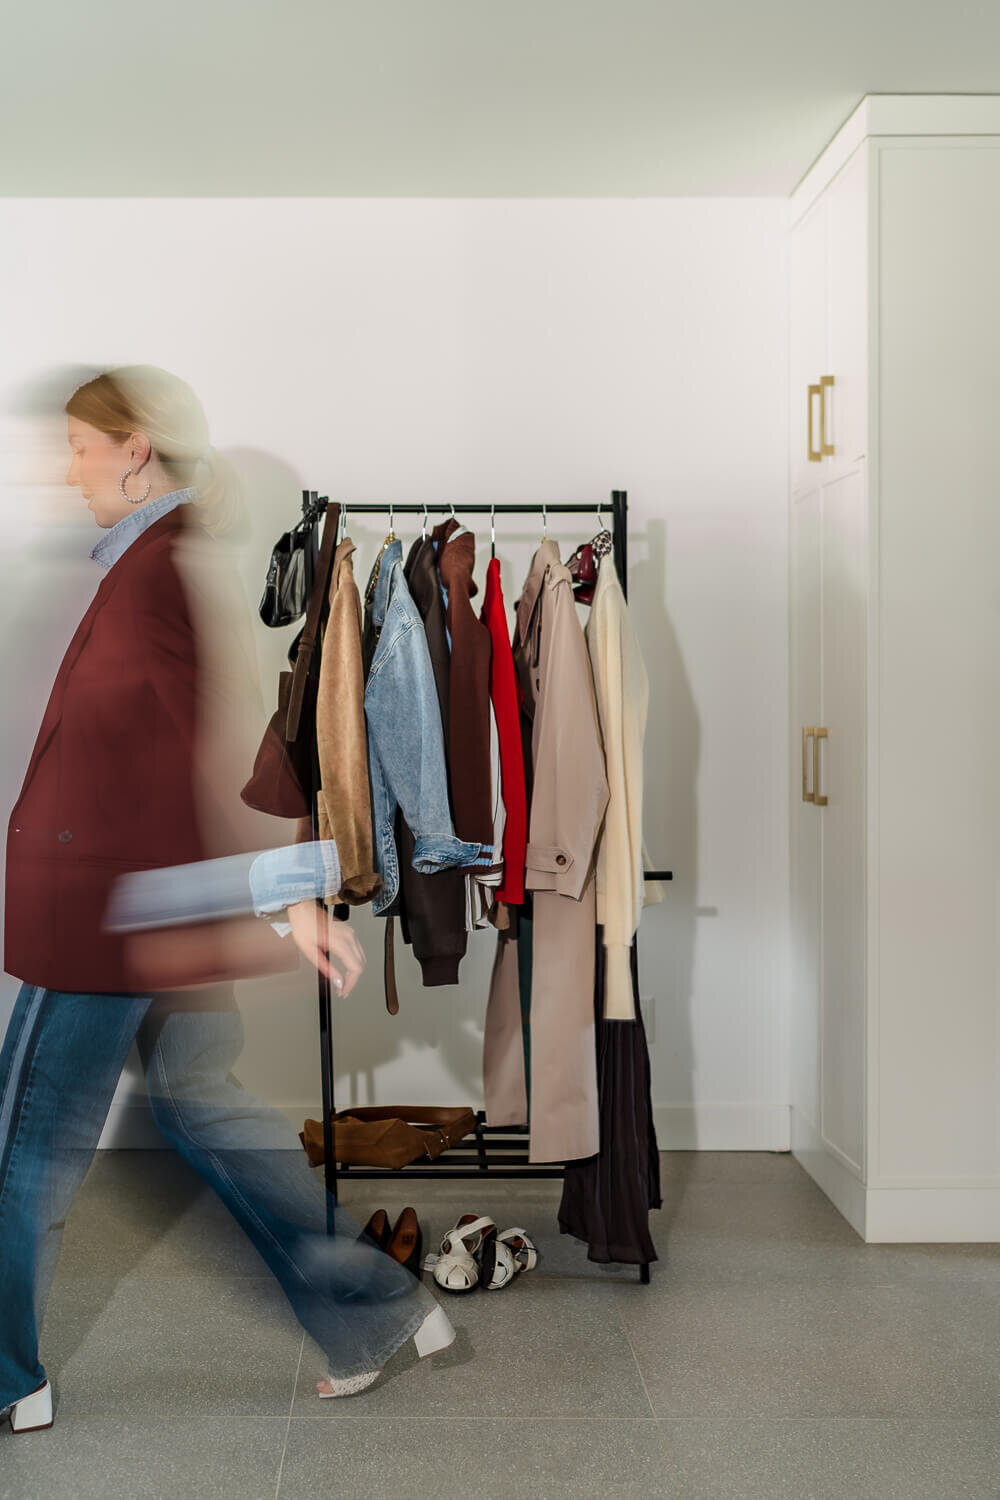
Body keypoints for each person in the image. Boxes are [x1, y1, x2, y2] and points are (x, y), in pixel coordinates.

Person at [0, 365, 453, 1434]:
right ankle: (377, 1308)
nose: (68, 471)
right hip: (154, 913)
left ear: (135, 447)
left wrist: (280, 894)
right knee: (208, 1114)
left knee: (22, 1152)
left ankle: (8, 1379)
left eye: (79, 447)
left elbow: (188, 758)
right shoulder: (146, 568)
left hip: (106, 923)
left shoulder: (149, 575)